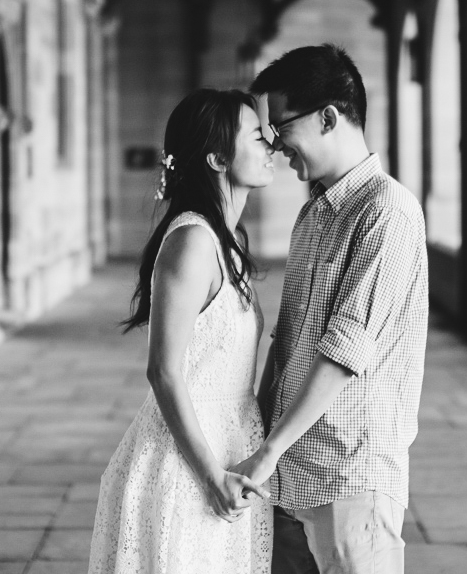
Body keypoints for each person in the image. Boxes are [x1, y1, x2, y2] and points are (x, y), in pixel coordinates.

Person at [232, 45, 429, 574]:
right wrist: (260, 436)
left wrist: (267, 451)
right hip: (290, 470)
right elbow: (290, 337)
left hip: (350, 473)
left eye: (282, 129)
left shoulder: (387, 211)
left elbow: (343, 352)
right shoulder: (315, 212)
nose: (275, 147)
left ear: (327, 117)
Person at [89, 88, 276, 574]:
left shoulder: (227, 240)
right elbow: (164, 372)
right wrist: (213, 477)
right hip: (187, 462)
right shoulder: (192, 241)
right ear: (217, 158)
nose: (271, 143)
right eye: (256, 134)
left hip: (231, 441)